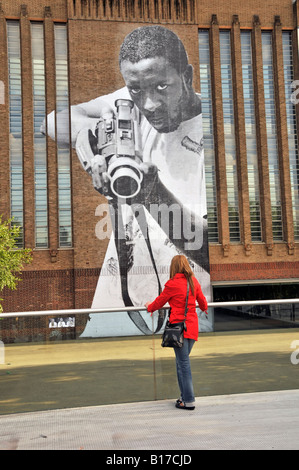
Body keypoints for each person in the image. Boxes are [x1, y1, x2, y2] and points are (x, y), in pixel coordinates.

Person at [42, 25, 212, 337]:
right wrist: (88, 141)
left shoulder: (211, 125)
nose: (148, 105)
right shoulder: (135, 96)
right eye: (136, 90)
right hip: (119, 303)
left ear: (186, 77)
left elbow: (209, 245)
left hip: (186, 313)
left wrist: (152, 194)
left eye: (162, 88)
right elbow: (51, 121)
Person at [145, 254, 208, 410]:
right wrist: (201, 308)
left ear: (173, 268)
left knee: (184, 364)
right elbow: (203, 304)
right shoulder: (193, 282)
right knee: (181, 363)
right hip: (192, 328)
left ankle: (189, 400)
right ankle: (183, 397)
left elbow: (159, 302)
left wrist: (148, 306)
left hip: (177, 329)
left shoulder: (172, 284)